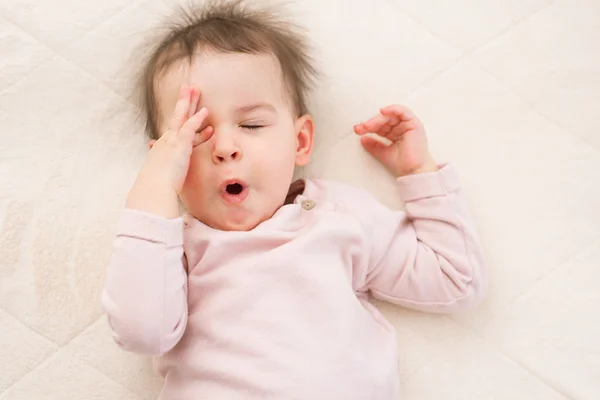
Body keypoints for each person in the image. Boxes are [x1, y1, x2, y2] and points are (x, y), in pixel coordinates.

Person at [101, 0, 487, 398]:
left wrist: (418, 171)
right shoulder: (171, 251)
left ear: (300, 141)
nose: (226, 148)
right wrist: (152, 191)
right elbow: (141, 332)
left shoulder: (338, 216)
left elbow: (455, 279)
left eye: (251, 124)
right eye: (195, 135)